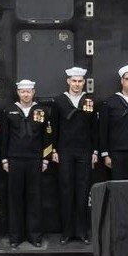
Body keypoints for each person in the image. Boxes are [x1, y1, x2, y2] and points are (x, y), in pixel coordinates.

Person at [0, 78, 50, 248]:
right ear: (18, 93)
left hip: (35, 159)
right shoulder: (9, 110)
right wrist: (4, 159)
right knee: (15, 198)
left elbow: (47, 137)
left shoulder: (41, 111)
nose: (26, 94)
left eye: (29, 91)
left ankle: (35, 235)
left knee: (34, 197)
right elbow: (4, 137)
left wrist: (45, 158)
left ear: (33, 93)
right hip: (15, 159)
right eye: (23, 91)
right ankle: (15, 236)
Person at [49, 65, 97, 244]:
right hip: (65, 151)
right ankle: (67, 232)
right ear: (68, 81)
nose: (77, 84)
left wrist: (95, 150)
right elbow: (53, 127)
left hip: (84, 150)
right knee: (66, 189)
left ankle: (82, 231)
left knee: (83, 190)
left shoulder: (89, 101)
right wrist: (53, 149)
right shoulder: (59, 101)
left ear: (84, 82)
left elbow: (94, 129)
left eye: (80, 81)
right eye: (74, 81)